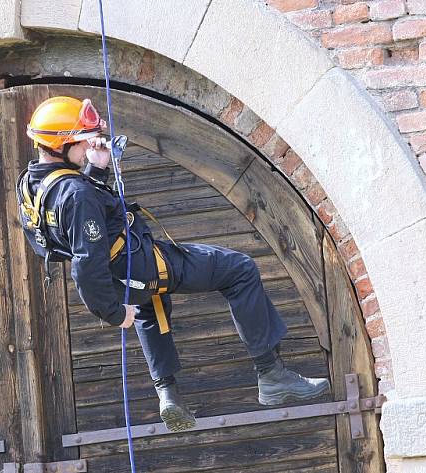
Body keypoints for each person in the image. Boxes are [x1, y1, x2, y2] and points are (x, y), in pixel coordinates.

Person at [17, 96, 330, 432]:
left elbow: (60, 238)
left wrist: (95, 168)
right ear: (60, 145)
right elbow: (85, 262)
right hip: (137, 268)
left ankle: (169, 395)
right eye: (80, 141)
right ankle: (271, 374)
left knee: (150, 305)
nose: (87, 144)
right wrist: (112, 311)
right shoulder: (74, 193)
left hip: (125, 278)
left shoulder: (32, 185)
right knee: (239, 269)